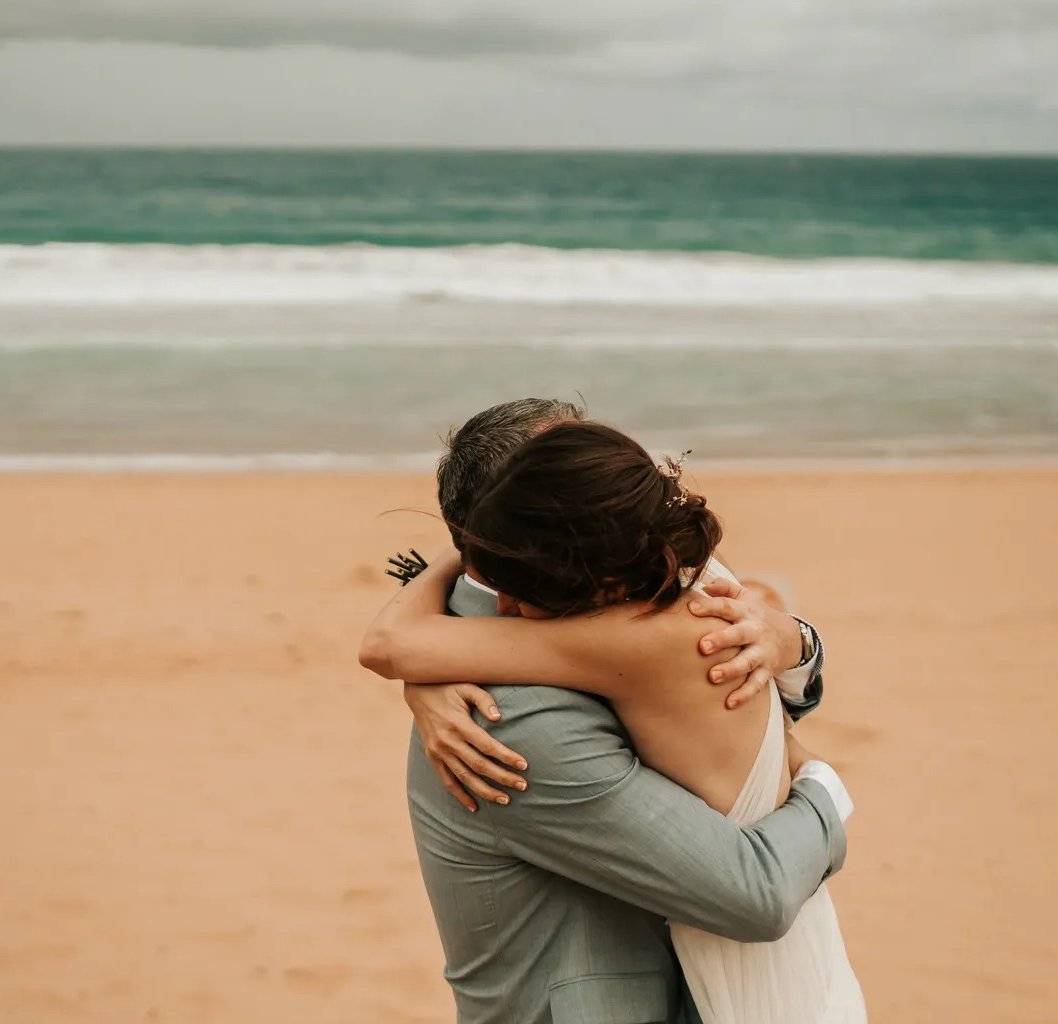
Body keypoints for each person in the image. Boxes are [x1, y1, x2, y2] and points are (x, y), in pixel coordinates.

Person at [363, 418, 865, 1023]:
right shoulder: (506, 714)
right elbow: (756, 893)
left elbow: (753, 708)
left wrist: (795, 642)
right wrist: (823, 787)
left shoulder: (627, 619)